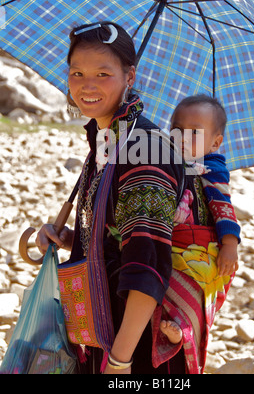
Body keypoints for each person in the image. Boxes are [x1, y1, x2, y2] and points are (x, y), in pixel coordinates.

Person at [36, 21, 185, 374]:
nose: (87, 85)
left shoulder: (146, 149)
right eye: (77, 73)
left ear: (129, 76)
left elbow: (148, 261)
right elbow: (116, 237)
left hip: (135, 344)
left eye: (103, 74)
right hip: (100, 326)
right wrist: (72, 239)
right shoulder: (107, 141)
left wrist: (119, 361)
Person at [151, 94, 240, 374]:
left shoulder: (212, 168)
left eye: (193, 132)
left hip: (201, 251)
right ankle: (172, 332)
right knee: (161, 294)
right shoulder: (167, 161)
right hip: (174, 247)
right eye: (176, 128)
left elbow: (223, 205)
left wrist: (229, 243)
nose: (181, 137)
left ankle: (186, 332)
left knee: (195, 301)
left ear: (215, 142)